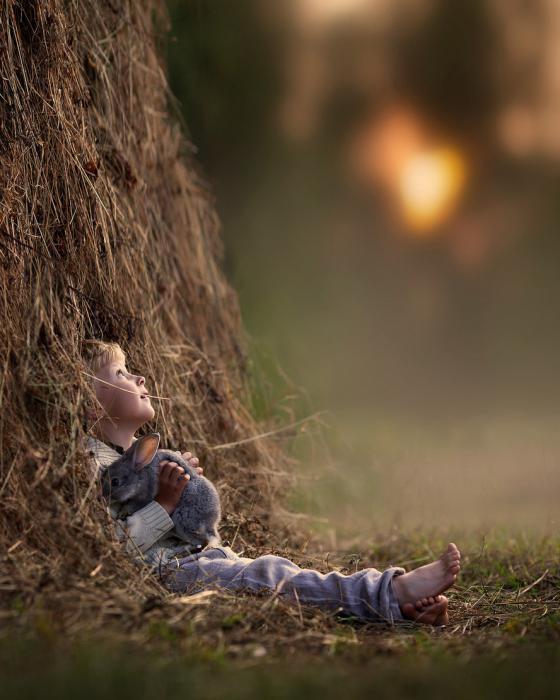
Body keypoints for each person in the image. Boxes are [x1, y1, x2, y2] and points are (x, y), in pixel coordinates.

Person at [83, 340, 461, 626]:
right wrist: (165, 503)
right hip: (173, 573)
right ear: (89, 401)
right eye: (120, 374)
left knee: (278, 574)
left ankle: (398, 610)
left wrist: (184, 491)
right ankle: (390, 590)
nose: (140, 377)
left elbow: (192, 520)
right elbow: (113, 548)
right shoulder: (93, 464)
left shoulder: (145, 452)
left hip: (205, 556)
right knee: (270, 575)